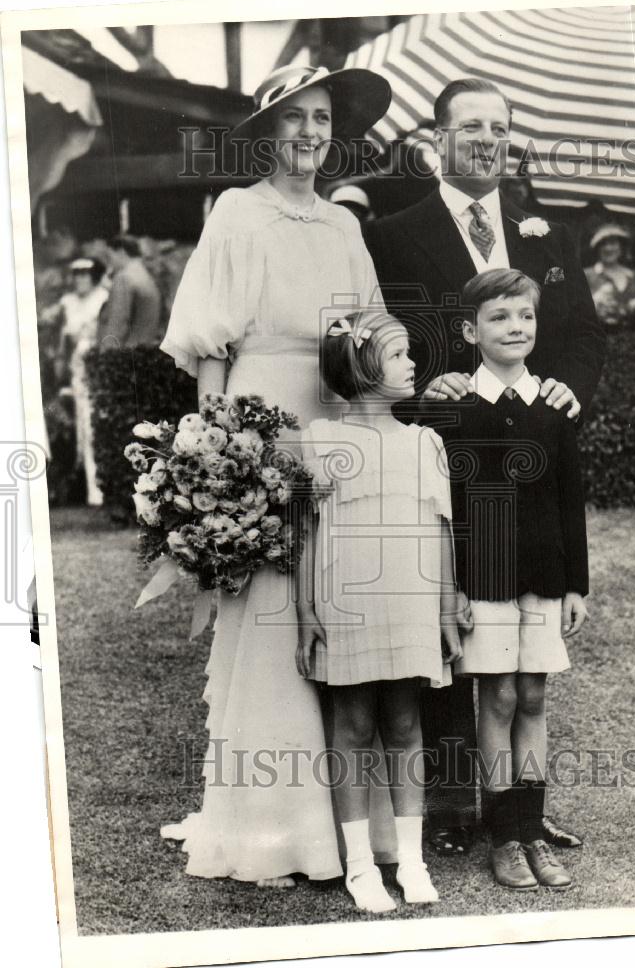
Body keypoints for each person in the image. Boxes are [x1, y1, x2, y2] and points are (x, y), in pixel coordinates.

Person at [158, 63, 393, 888]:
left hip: (331, 425)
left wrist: (366, 436)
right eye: (294, 120)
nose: (309, 134)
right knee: (269, 613)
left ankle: (349, 826)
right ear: (266, 133)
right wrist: (213, 454)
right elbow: (211, 346)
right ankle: (269, 828)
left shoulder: (342, 224)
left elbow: (367, 343)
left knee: (333, 613)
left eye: (322, 120)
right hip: (257, 427)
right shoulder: (237, 212)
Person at [363, 76, 604, 854]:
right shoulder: (395, 233)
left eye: (499, 128)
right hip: (442, 453)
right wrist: (419, 383)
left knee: (522, 636)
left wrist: (567, 393)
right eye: (470, 127)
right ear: (437, 139)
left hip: (529, 456)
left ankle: (518, 811)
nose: (487, 140)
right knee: (454, 621)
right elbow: (379, 333)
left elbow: (582, 337)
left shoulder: (546, 237)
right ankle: (452, 804)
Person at [423, 269, 589, 889]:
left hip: (544, 576)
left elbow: (570, 500)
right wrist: (455, 586)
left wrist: (577, 584)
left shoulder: (554, 406)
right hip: (483, 579)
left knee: (534, 697)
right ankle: (504, 837)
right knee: (495, 698)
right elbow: (450, 506)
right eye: (499, 317)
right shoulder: (454, 408)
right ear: (470, 330)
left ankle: (532, 829)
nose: (515, 327)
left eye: (525, 316)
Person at [296, 309, 461, 912]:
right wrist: (307, 608)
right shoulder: (321, 440)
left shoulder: (424, 440)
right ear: (364, 371)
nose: (413, 363)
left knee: (404, 723)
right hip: (348, 601)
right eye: (398, 356)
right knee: (353, 727)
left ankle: (411, 860)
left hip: (409, 599)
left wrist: (446, 605)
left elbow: (441, 531)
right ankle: (360, 865)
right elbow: (307, 533)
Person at [56, 258, 109, 505]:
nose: (80, 279)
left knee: (95, 424)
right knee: (82, 428)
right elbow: (63, 341)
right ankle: (90, 490)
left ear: (94, 276)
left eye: (85, 274)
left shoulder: (102, 298)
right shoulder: (68, 303)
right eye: (76, 274)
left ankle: (102, 489)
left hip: (98, 365)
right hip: (77, 370)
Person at [97, 235, 162, 351]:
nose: (109, 264)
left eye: (109, 257)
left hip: (126, 357)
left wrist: (105, 355)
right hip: (145, 353)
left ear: (121, 252)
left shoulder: (123, 277)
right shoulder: (146, 277)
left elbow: (118, 324)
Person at [584, 224, 635, 330]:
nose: (608, 248)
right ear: (597, 248)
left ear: (621, 246)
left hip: (631, 337)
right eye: (603, 244)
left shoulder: (634, 276)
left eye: (613, 243)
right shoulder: (587, 275)